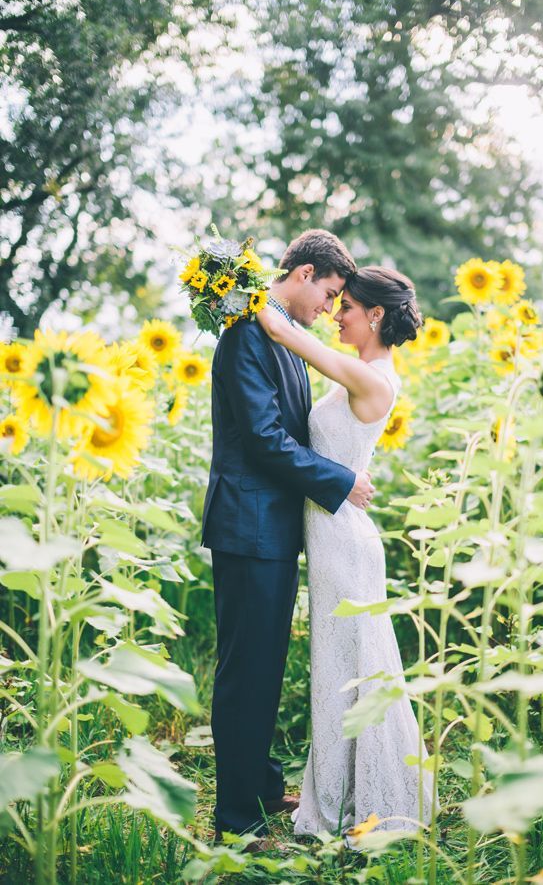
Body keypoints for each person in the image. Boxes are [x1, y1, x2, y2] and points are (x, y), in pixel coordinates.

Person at [201, 229, 375, 850]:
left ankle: (261, 786)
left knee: (264, 664)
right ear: (302, 274)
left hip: (270, 528)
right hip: (248, 527)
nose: (329, 309)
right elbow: (265, 441)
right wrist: (341, 482)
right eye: (328, 294)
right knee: (246, 668)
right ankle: (237, 819)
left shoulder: (278, 331)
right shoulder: (248, 332)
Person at [256, 265, 435, 838]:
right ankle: (340, 791)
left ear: (376, 316)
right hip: (333, 533)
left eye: (347, 307)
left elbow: (286, 333)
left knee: (353, 672)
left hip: (344, 544)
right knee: (342, 670)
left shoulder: (374, 377)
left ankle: (360, 801)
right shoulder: (362, 372)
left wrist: (229, 282)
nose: (336, 314)